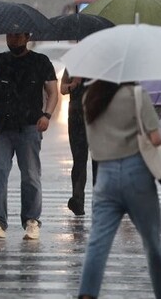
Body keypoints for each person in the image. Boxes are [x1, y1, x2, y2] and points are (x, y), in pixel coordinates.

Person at [77, 80, 161, 299]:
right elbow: (156, 137)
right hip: (136, 172)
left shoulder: (89, 97)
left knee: (98, 241)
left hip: (104, 175)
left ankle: (87, 293)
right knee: (151, 240)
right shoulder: (136, 94)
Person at [0, 32, 57, 240]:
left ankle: (31, 221)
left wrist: (47, 115)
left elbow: (52, 92)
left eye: (18, 36)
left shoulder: (40, 62)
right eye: (10, 36)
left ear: (28, 37)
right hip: (0, 129)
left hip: (29, 127)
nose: (13, 40)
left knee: (30, 175)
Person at [61, 70, 95, 216]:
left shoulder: (101, 66)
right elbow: (62, 89)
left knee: (99, 160)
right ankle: (77, 200)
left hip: (96, 116)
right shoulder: (73, 66)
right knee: (79, 160)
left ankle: (100, 201)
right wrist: (73, 84)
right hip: (76, 117)